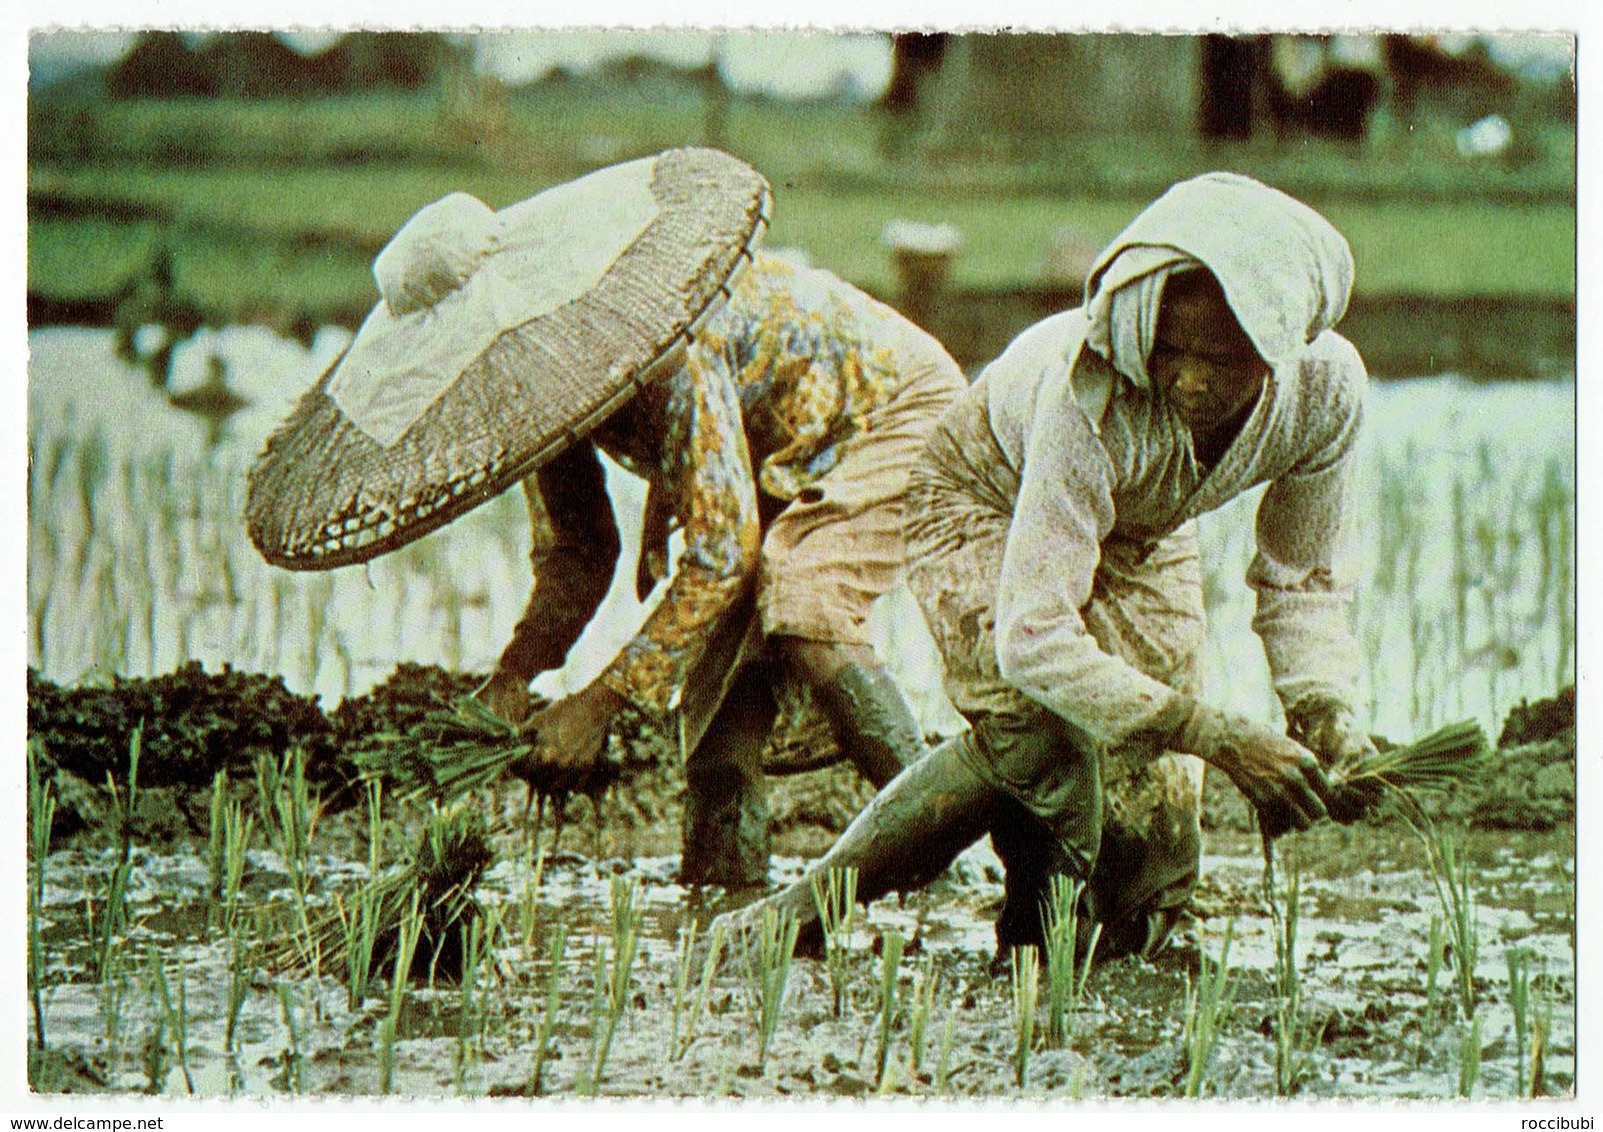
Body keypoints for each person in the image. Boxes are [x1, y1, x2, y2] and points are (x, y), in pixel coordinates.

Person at [722, 172, 1376, 961]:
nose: (1192, 379)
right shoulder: (1089, 394)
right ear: (1142, 332)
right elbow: (1033, 640)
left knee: (1145, 837)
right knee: (1036, 736)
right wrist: (1216, 733)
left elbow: (1299, 584)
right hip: (982, 494)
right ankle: (802, 910)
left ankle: (1054, 936)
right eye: (1170, 350)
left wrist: (1323, 706)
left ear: (1276, 347)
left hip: (1139, 526)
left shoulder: (1325, 392)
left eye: (1223, 360)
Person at [472, 249, 968, 888]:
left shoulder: (667, 346)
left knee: (806, 600)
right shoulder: (544, 394)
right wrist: (513, 677)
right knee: (714, 717)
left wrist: (595, 708)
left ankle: (936, 860)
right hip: (780, 455)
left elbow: (721, 556)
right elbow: (580, 554)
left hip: (894, 410)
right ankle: (723, 900)